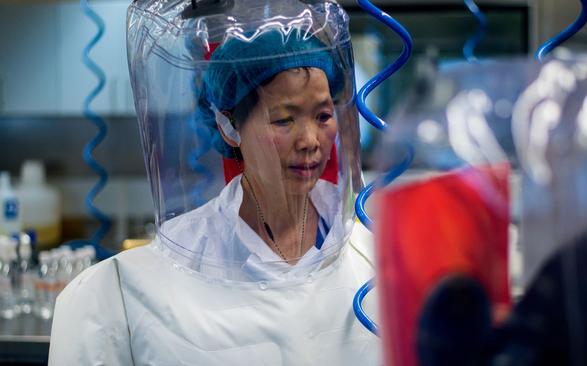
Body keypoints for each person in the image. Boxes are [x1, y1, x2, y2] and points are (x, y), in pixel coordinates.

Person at [49, 1, 381, 365]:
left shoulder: (372, 248)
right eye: (284, 120)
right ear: (229, 126)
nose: (310, 140)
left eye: (323, 116)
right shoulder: (154, 278)